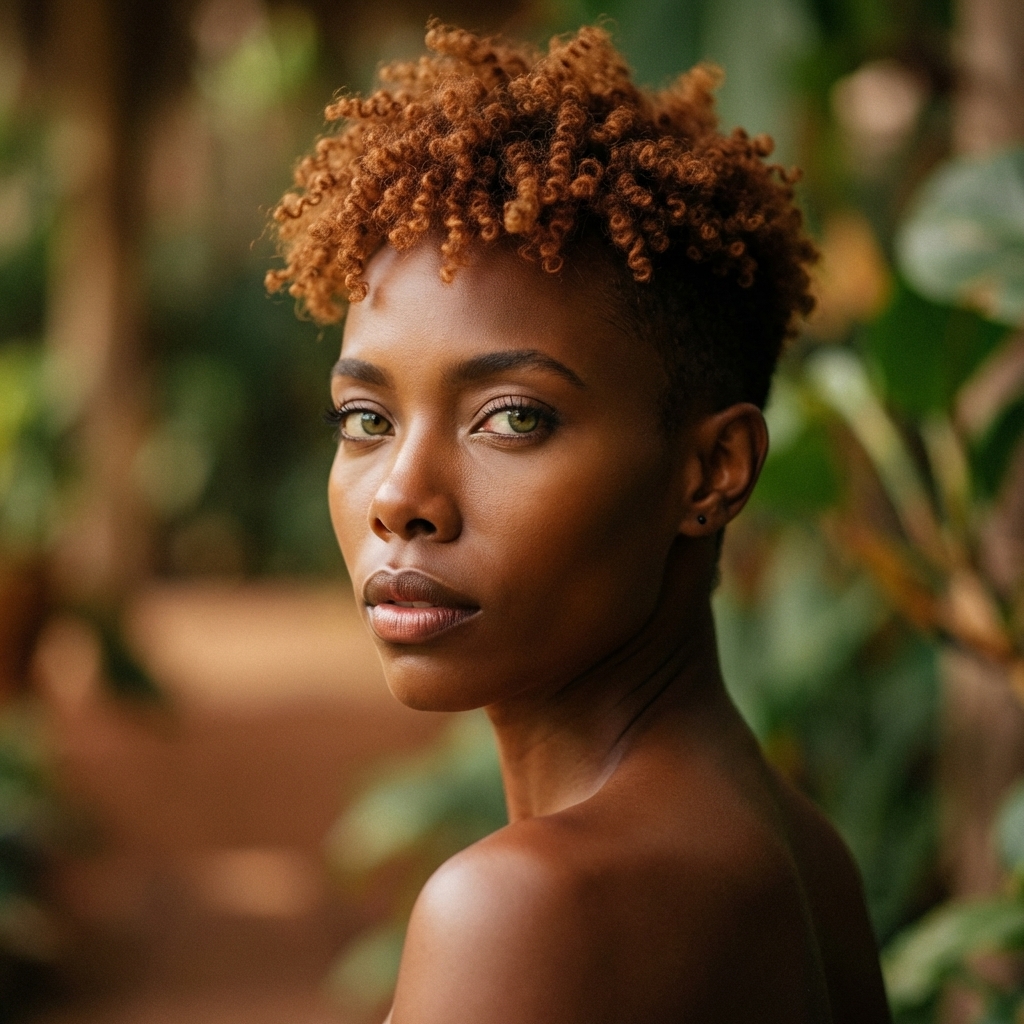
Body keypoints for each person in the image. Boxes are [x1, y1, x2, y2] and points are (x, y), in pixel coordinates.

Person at [267, 21, 891, 1023]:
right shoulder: (806, 856)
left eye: (513, 417)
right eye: (366, 420)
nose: (398, 496)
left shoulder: (525, 907)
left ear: (712, 471)